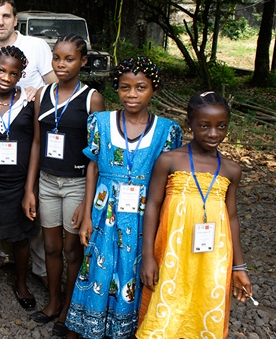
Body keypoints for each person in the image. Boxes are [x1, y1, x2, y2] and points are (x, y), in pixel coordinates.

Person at [64, 57, 183, 338]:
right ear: (116, 89)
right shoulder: (101, 123)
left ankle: (126, 328)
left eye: (141, 87)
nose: (132, 94)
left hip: (144, 216)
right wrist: (86, 214)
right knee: (97, 267)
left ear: (153, 89)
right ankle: (90, 325)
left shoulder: (167, 130)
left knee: (134, 268)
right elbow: (93, 167)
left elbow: (167, 182)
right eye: (125, 87)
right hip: (103, 211)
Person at [137, 92, 252, 338]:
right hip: (172, 254)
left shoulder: (232, 169)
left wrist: (238, 266)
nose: (213, 134)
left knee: (203, 308)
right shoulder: (170, 160)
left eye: (221, 126)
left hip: (213, 259)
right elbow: (153, 206)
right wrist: (148, 256)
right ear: (190, 124)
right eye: (204, 126)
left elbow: (231, 217)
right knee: (165, 310)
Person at [27, 35, 105, 339]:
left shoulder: (91, 98)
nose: (61, 64)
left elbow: (95, 154)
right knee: (50, 246)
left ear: (82, 62)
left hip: (76, 183)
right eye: (56, 58)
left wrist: (88, 200)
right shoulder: (42, 94)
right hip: (47, 180)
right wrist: (29, 189)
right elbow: (36, 142)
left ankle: (70, 309)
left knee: (73, 250)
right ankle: (54, 301)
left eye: (69, 59)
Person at [0, 45, 36, 315]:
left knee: (22, 236)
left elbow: (36, 142)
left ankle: (22, 284)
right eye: (0, 70)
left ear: (21, 76)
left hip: (20, 182)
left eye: (13, 73)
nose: (5, 77)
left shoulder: (30, 101)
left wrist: (29, 188)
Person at [0, 0, 57, 99]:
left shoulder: (37, 46)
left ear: (15, 20)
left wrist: (39, 92)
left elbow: (57, 87)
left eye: (6, 16)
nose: (1, 22)